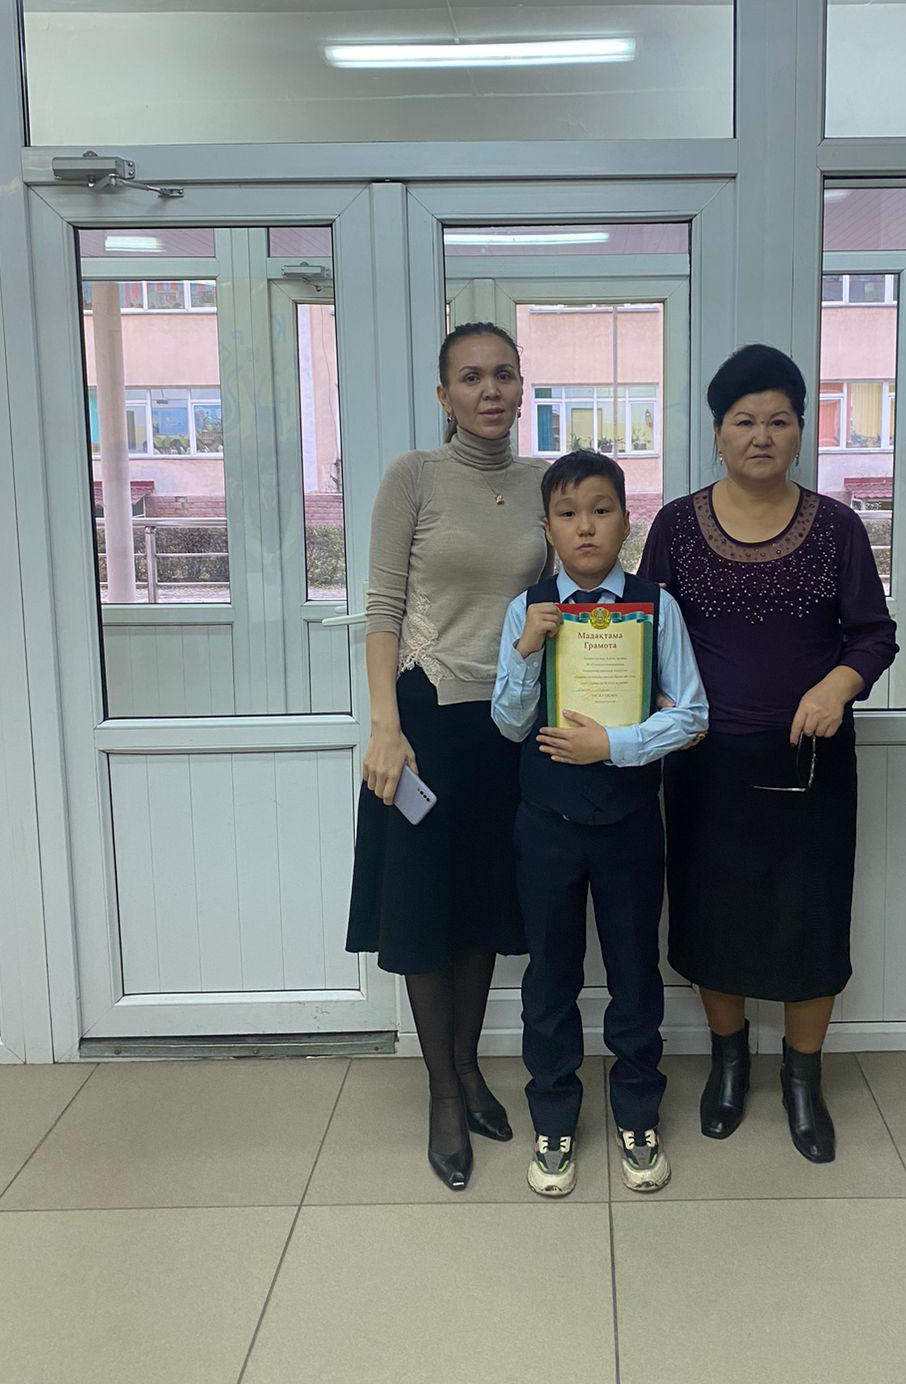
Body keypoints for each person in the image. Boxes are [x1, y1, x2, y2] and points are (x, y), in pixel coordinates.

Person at [640, 345, 897, 1163]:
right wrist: (655, 704)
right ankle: (728, 1065)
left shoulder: (838, 527)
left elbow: (874, 635)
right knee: (711, 915)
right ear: (718, 433)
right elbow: (645, 632)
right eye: (744, 421)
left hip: (809, 763)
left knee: (808, 920)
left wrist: (837, 687)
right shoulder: (677, 526)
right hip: (704, 761)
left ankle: (802, 1077)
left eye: (779, 421)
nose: (762, 436)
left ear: (800, 431)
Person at [345, 322, 550, 1191]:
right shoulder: (414, 477)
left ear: (522, 386)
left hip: (510, 727)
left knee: (484, 905)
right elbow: (382, 610)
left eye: (503, 374)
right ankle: (441, 1090)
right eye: (470, 377)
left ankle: (468, 1067)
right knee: (427, 911)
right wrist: (384, 727)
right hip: (426, 720)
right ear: (444, 395)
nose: (489, 390)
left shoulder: (546, 484)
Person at [492, 450, 708, 1197]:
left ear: (625, 521)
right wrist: (527, 650)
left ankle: (638, 1112)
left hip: (629, 822)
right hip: (546, 824)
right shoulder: (526, 610)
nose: (585, 526)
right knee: (549, 976)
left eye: (601, 510)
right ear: (547, 527)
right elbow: (509, 724)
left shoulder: (655, 607)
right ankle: (553, 1115)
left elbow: (693, 714)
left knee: (633, 971)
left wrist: (612, 745)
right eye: (567, 513)